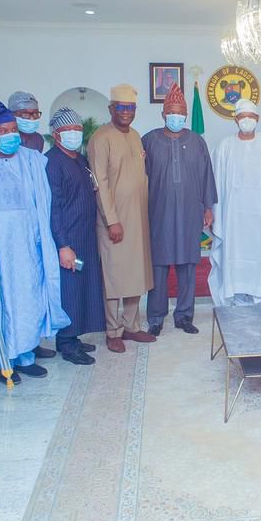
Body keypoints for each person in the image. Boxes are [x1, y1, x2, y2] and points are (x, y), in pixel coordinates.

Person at [0, 99, 70, 382]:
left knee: (29, 300)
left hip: (29, 246)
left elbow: (44, 204)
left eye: (13, 129)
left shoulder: (31, 160)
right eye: (2, 130)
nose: (10, 135)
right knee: (1, 304)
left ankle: (26, 355)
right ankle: (0, 361)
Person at [142, 83, 216, 335]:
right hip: (158, 213)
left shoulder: (197, 141)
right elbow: (140, 178)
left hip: (189, 212)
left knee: (188, 264)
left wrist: (208, 207)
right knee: (159, 266)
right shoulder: (149, 140)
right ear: (163, 114)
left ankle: (184, 315)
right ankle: (155, 317)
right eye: (171, 112)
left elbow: (207, 176)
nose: (176, 117)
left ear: (185, 116)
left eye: (180, 113)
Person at [88, 83, 157, 353]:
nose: (126, 113)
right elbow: (100, 183)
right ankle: (112, 330)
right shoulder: (100, 137)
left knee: (135, 273)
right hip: (113, 221)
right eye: (121, 108)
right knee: (115, 275)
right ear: (111, 109)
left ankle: (132, 327)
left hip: (137, 217)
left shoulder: (136, 135)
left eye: (130, 108)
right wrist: (111, 220)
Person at [209, 99, 261, 305]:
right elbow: (215, 183)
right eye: (242, 117)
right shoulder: (224, 146)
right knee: (234, 254)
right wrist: (214, 213)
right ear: (235, 119)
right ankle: (234, 295)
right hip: (232, 216)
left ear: (258, 119)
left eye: (251, 117)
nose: (246, 121)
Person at [45, 107, 105, 364]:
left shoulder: (79, 160)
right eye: (68, 130)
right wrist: (63, 245)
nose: (74, 134)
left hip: (86, 236)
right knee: (69, 291)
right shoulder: (53, 163)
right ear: (56, 134)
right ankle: (67, 344)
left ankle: (75, 336)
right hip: (68, 238)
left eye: (77, 130)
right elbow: (54, 207)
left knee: (84, 288)